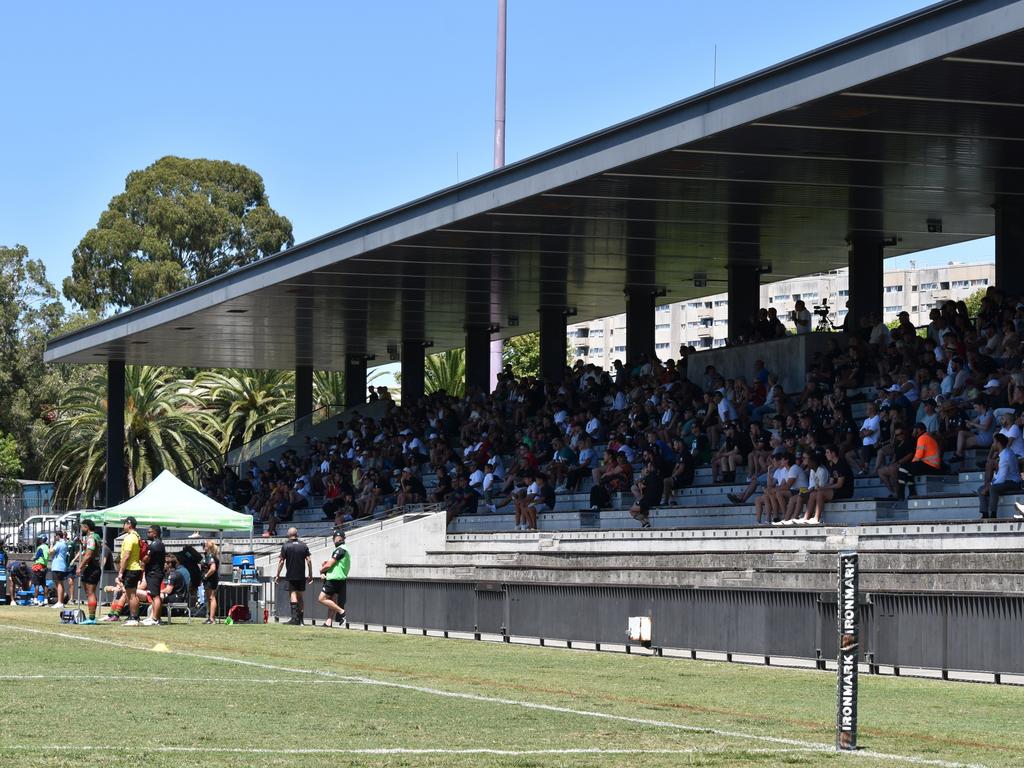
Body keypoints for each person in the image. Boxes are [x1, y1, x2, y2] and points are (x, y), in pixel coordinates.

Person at [274, 527, 312, 625]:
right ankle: (301, 620)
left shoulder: (286, 546)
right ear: (297, 534)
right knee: (300, 597)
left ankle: (294, 619)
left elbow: (281, 561)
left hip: (291, 575)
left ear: (288, 534)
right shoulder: (303, 546)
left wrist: (277, 575)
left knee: (293, 594)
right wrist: (310, 574)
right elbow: (309, 560)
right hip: (301, 576)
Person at [978, 433, 1020, 519]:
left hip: (1014, 482)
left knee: (993, 488)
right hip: (1006, 481)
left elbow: (1001, 479)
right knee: (981, 489)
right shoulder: (1004, 453)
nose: (992, 445)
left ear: (998, 443)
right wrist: (989, 484)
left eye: (994, 442)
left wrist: (990, 485)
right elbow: (999, 476)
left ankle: (993, 515)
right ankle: (985, 514)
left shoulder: (1006, 455)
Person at [897, 423, 944, 499]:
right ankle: (912, 493)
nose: (913, 432)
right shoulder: (928, 437)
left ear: (919, 430)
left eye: (914, 430)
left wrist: (909, 466)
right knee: (908, 471)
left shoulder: (922, 438)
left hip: (930, 465)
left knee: (903, 468)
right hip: (933, 465)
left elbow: (918, 456)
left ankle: (900, 495)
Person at [318, 529, 350, 628]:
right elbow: (334, 564)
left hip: (334, 579)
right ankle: (328, 622)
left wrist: (322, 570)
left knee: (322, 598)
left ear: (337, 538)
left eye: (333, 538)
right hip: (339, 579)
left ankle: (342, 612)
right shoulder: (344, 549)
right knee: (332, 600)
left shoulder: (340, 549)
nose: (333, 540)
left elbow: (329, 564)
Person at [117, 516, 144, 626]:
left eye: (124, 523)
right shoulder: (136, 536)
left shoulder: (130, 538)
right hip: (135, 568)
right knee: (130, 594)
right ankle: (134, 616)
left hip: (131, 569)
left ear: (129, 524)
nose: (123, 526)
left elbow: (126, 556)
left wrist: (121, 572)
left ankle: (134, 617)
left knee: (131, 594)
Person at [76, 519, 103, 624]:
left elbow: (88, 554)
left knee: (90, 593)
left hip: (92, 567)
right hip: (93, 567)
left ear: (86, 527)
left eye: (82, 527)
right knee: (89, 593)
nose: (81, 529)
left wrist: (80, 567)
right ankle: (91, 617)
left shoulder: (91, 538)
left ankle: (91, 618)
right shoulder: (94, 537)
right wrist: (83, 543)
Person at [141, 525, 167, 626]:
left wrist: (141, 554)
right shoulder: (158, 544)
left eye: (149, 532)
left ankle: (155, 619)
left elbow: (146, 559)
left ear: (155, 533)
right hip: (154, 573)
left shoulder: (156, 544)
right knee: (153, 595)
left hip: (154, 573)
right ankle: (153, 617)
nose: (148, 534)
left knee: (155, 596)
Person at [201, 539, 220, 624]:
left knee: (212, 597)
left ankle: (212, 619)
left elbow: (213, 568)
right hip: (209, 579)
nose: (203, 547)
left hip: (210, 579)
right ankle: (210, 617)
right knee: (209, 598)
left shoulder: (210, 556)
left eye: (204, 545)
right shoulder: (208, 555)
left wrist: (206, 575)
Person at [49, 530, 69, 609]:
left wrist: (51, 544)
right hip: (61, 565)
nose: (54, 538)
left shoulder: (58, 543)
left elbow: (51, 552)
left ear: (57, 536)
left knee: (58, 584)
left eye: (55, 536)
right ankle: (61, 601)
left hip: (57, 566)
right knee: (60, 583)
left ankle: (60, 602)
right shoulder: (64, 543)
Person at [31, 534, 50, 605]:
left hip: (38, 566)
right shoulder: (47, 547)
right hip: (44, 566)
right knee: (44, 584)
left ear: (41, 540)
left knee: (36, 584)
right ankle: (46, 600)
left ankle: (35, 599)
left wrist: (33, 558)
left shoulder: (40, 547)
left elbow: (36, 557)